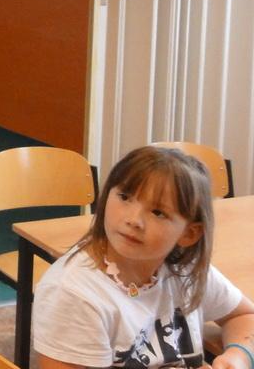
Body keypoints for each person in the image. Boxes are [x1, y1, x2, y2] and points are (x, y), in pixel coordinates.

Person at [33, 146, 254, 369]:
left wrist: (238, 357)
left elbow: (244, 315)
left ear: (189, 234)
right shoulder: (73, 294)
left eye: (158, 212)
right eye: (125, 197)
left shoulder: (184, 268)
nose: (134, 220)